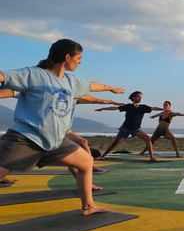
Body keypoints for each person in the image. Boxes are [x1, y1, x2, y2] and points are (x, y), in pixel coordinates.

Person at [0, 39, 123, 215]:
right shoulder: (34, 74)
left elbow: (90, 85)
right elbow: (4, 76)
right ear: (67, 57)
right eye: (79, 58)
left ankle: (88, 206)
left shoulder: (70, 81)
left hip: (55, 141)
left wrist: (109, 88)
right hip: (26, 139)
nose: (80, 62)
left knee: (86, 162)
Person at [96, 92, 163, 161]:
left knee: (148, 138)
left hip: (136, 129)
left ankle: (152, 157)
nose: (140, 98)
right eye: (138, 97)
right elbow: (115, 108)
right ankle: (102, 156)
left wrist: (163, 109)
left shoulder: (143, 107)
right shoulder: (128, 106)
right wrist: (102, 108)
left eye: (141, 97)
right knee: (115, 143)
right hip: (125, 128)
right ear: (133, 97)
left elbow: (153, 108)